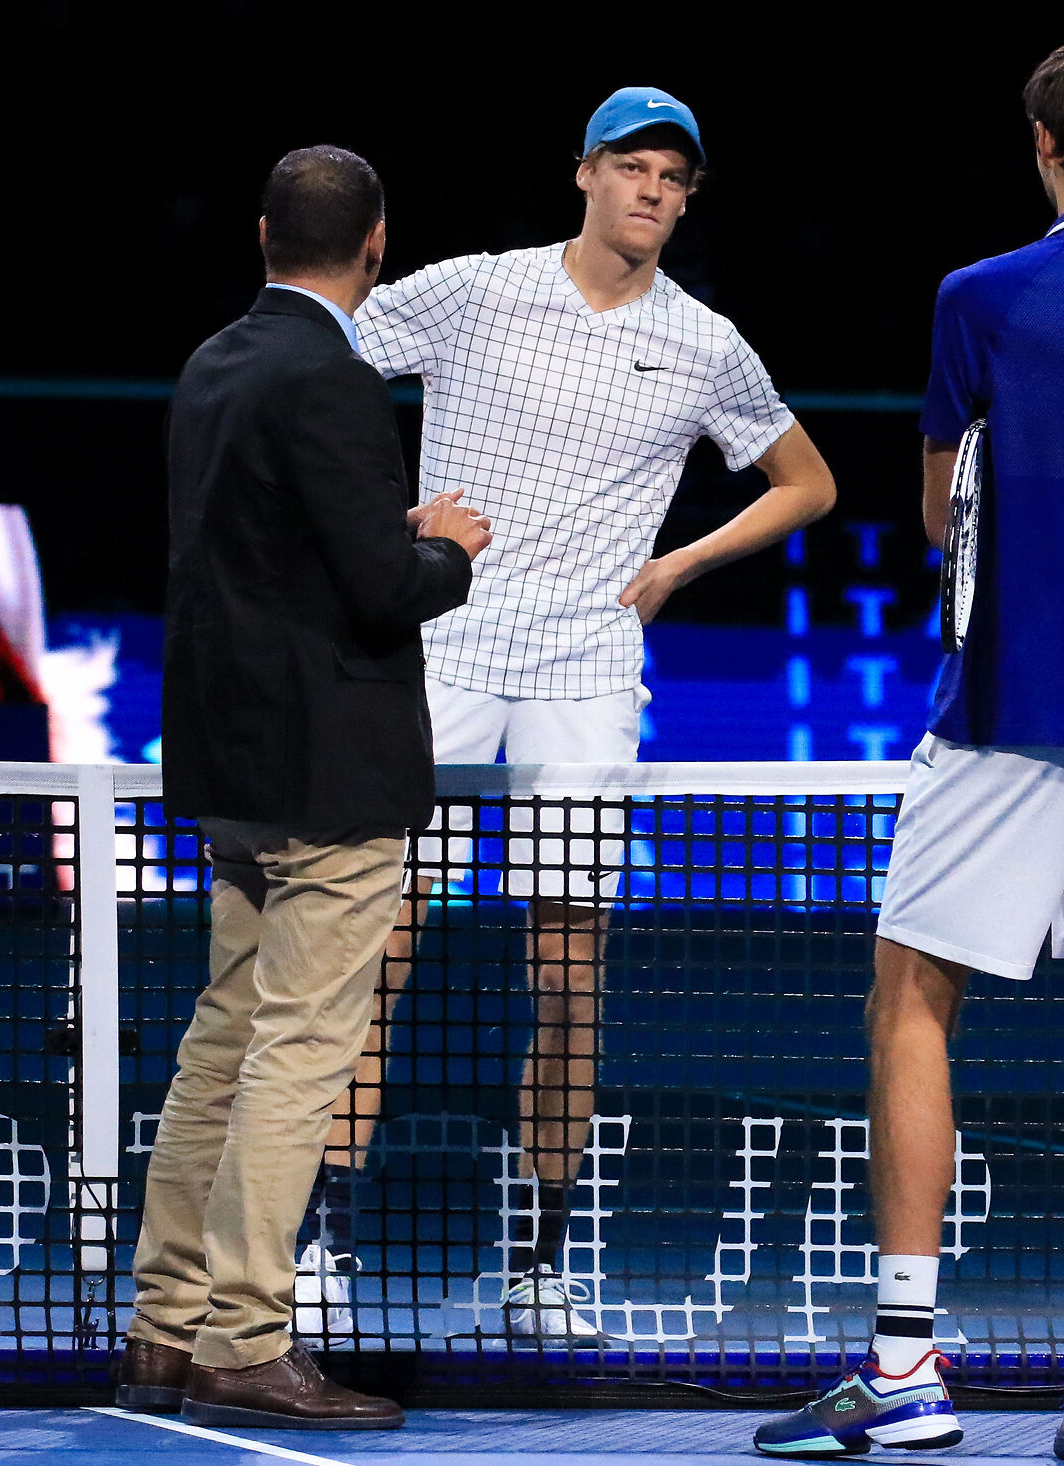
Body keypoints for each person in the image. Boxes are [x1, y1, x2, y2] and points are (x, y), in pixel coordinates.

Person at [752, 37, 1064, 1466]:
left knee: (913, 997)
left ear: (1040, 139)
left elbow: (937, 518)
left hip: (1015, 703)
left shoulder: (981, 299)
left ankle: (906, 1369)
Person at [316, 86, 835, 1342]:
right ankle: (318, 1242)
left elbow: (808, 482)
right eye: (634, 167)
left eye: (674, 176)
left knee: (568, 964)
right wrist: (376, 521)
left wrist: (677, 567)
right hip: (442, 644)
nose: (654, 190)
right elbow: (318, 362)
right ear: (586, 175)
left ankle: (539, 1264)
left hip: (589, 671)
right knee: (375, 945)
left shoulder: (706, 343)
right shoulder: (477, 287)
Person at [112, 145, 490, 1429]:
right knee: (296, 1054)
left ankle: (164, 1328)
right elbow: (380, 595)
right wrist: (443, 548)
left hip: (227, 769)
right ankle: (246, 1340)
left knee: (222, 1042)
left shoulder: (212, 363)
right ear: (375, 243)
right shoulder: (333, 381)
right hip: (329, 780)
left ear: (265, 233)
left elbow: (262, 567)